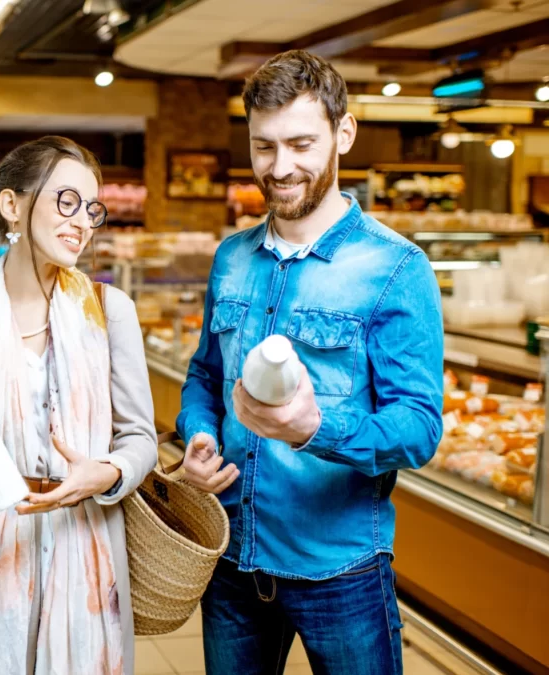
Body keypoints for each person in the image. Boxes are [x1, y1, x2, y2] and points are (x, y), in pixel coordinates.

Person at [177, 50, 443, 675]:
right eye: (263, 147)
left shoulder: (396, 269)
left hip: (341, 573)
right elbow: (205, 377)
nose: (281, 167)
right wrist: (199, 433)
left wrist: (312, 429)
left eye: (301, 143)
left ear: (343, 133)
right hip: (232, 563)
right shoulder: (232, 258)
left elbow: (419, 427)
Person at [0, 136, 158, 675]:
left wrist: (105, 472)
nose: (82, 221)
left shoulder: (111, 313)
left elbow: (141, 441)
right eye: (65, 201)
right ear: (12, 205)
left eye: (91, 208)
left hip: (87, 548)